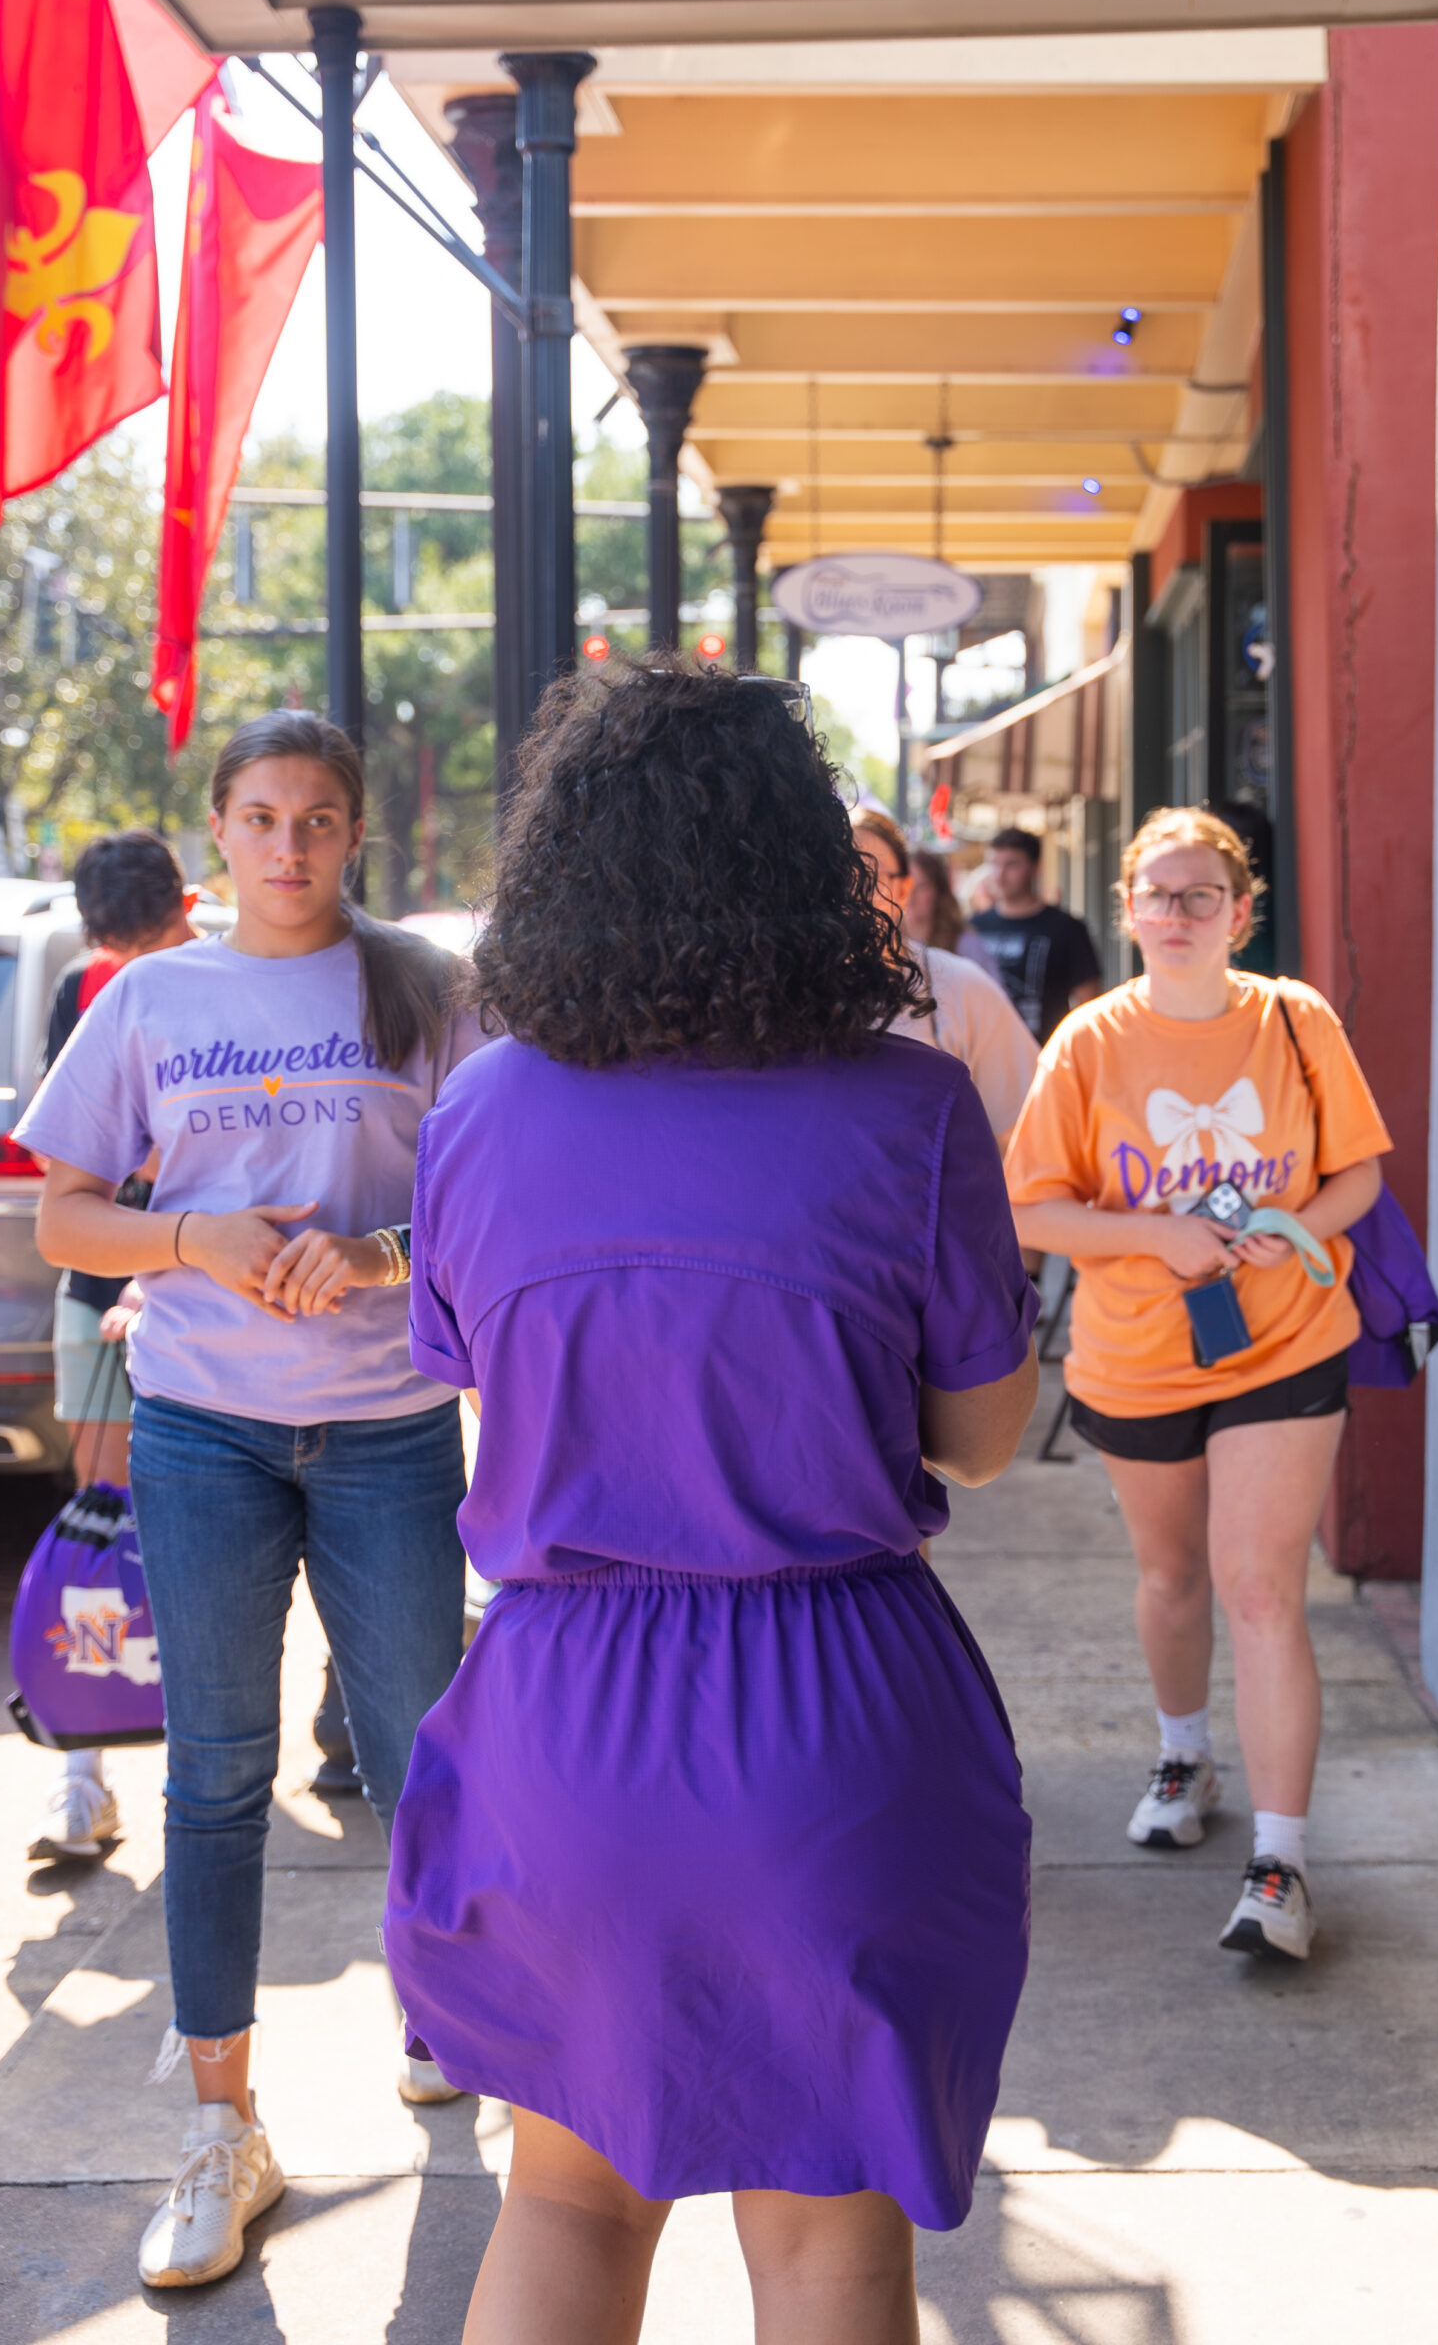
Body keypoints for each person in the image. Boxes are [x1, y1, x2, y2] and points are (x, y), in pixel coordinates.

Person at [384, 662, 1038, 2345]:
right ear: (803, 868)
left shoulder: (478, 1114)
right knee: (830, 2251)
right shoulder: (912, 1111)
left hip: (565, 1713)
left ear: (563, 873)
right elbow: (981, 1435)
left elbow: (467, 1370)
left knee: (565, 2205)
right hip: (835, 1720)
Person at [18, 711, 485, 2292]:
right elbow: (66, 1221)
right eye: (264, 816)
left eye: (321, 819)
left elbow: (494, 1206)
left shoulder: (426, 987)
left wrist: (378, 1256)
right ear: (216, 828)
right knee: (216, 1775)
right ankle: (223, 2128)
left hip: (391, 1429)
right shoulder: (154, 995)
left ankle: (445, 2008)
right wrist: (190, 1242)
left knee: (426, 1740)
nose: (291, 845)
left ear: (356, 834)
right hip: (203, 1431)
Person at [1002, 806, 1390, 1963]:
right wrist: (1151, 1237)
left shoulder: (1294, 1018)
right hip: (1138, 1352)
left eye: (1200, 896)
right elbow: (1030, 1205)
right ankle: (1185, 1750)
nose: (1176, 915)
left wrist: (1299, 1225)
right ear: (1127, 909)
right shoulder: (1089, 1043)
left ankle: (1282, 1864)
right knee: (1172, 1575)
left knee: (1260, 1584)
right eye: (1157, 896)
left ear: (1240, 911)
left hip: (1287, 1338)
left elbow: (1359, 1172)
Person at [26, 831, 199, 1868]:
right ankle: (82, 1776)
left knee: (200, 1539)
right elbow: (76, 1157)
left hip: (208, 1296)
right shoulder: (86, 992)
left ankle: (204, 1768)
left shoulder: (237, 982)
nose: (132, 973)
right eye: (115, 953)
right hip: (97, 1284)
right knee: (102, 1515)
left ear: (192, 901)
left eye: (154, 944)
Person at [853, 809, 1039, 1145]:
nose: (852, 894)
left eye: (870, 876)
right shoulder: (768, 998)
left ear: (903, 889)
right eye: (834, 876)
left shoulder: (959, 985)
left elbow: (1028, 1124)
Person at [969, 826, 1101, 1043]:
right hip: (981, 1058)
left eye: (1012, 864)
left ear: (1036, 868)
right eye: (994, 864)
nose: (1000, 875)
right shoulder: (973, 928)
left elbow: (1090, 1003)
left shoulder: (1067, 928)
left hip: (1046, 1056)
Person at [904, 843, 1001, 980]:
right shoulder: (886, 944)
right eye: (906, 885)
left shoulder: (967, 945)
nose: (910, 896)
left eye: (921, 886)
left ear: (938, 890)